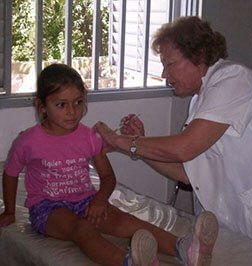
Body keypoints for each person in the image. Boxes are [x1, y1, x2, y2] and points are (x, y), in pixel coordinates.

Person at [95, 16, 252, 252]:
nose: (165, 74)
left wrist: (122, 141)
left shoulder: (234, 79)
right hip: (233, 220)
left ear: (198, 57)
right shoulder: (199, 100)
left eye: (170, 64)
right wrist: (139, 145)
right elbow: (186, 173)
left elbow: (184, 148)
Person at [0, 63, 219, 266]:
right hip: (48, 208)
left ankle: (186, 249)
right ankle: (129, 262)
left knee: (126, 220)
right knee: (83, 229)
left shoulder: (89, 137)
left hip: (86, 201)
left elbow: (107, 177)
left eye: (78, 102)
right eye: (61, 105)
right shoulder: (28, 141)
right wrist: (10, 211)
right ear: (42, 105)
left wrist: (99, 200)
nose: (72, 111)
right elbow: (10, 174)